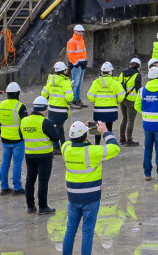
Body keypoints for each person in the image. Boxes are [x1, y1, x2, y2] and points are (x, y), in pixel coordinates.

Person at [61, 120, 120, 255]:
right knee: (87, 232)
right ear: (85, 137)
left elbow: (73, 141)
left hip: (73, 197)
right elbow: (115, 148)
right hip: (90, 198)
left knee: (70, 230)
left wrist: (83, 130)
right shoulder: (93, 152)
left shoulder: (65, 148)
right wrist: (105, 132)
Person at [20, 96, 60, 214]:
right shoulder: (45, 122)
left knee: (30, 180)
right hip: (44, 156)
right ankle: (42, 206)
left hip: (29, 155)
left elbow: (21, 135)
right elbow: (56, 137)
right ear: (44, 108)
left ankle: (30, 206)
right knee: (43, 181)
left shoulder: (24, 121)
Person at [135, 67, 158, 182]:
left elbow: (137, 106)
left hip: (147, 124)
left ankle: (147, 174)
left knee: (147, 149)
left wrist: (146, 114)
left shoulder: (142, 90)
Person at [0, 82, 28, 195]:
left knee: (5, 163)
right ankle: (17, 188)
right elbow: (25, 123)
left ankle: (4, 188)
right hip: (18, 140)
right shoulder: (20, 106)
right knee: (17, 164)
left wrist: (2, 132)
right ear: (18, 93)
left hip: (5, 139)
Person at [87, 62, 125, 144]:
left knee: (98, 128)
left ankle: (97, 145)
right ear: (110, 72)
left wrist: (95, 101)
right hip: (111, 111)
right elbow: (122, 96)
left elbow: (90, 96)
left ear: (101, 72)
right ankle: (109, 145)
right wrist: (117, 100)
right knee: (109, 128)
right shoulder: (116, 83)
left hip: (98, 111)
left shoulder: (96, 83)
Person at [42, 62, 75, 144]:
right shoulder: (66, 82)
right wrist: (70, 89)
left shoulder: (50, 81)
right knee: (57, 129)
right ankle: (54, 146)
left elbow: (43, 94)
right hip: (62, 110)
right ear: (64, 71)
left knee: (59, 128)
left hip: (51, 110)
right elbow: (69, 97)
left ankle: (62, 144)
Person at [117, 58, 141, 146]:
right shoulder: (137, 75)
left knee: (124, 118)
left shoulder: (123, 73)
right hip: (131, 101)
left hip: (122, 99)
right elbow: (139, 89)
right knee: (130, 120)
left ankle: (122, 138)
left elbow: (118, 85)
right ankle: (129, 140)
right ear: (138, 66)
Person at [66, 25, 88, 107]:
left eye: (81, 31)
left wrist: (85, 62)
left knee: (79, 84)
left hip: (81, 65)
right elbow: (70, 55)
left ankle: (78, 100)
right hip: (77, 66)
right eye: (79, 31)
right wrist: (76, 65)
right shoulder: (72, 42)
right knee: (75, 84)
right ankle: (73, 101)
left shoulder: (81, 41)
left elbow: (82, 53)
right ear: (74, 31)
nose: (81, 33)